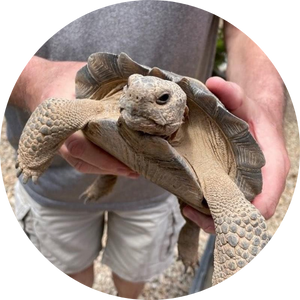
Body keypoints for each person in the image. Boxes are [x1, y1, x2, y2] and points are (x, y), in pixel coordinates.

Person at [4, 1, 289, 299]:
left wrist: (264, 106)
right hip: (56, 186)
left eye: (162, 99)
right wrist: (32, 141)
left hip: (155, 199)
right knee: (66, 267)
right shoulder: (105, 106)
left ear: (184, 110)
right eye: (131, 90)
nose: (139, 98)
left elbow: (239, 219)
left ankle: (183, 243)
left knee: (177, 235)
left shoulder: (210, 159)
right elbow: (54, 112)